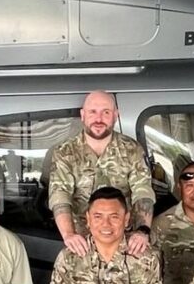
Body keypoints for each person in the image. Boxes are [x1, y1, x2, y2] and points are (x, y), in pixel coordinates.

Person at [48, 90, 155, 257]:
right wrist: (69, 234)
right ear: (83, 115)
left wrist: (143, 230)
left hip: (125, 245)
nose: (99, 119)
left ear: (115, 115)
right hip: (81, 245)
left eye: (106, 112)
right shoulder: (65, 152)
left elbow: (143, 192)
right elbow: (60, 195)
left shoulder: (132, 149)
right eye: (93, 112)